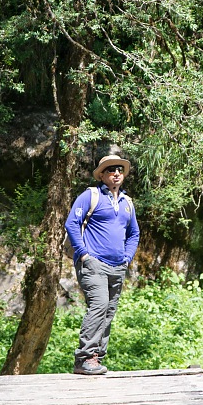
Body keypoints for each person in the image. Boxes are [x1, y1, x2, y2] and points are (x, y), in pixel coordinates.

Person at [64, 154, 140, 375]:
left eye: (120, 170)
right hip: (94, 263)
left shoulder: (127, 203)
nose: (116, 173)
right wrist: (84, 254)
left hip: (118, 266)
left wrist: (127, 257)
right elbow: (72, 223)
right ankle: (84, 358)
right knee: (99, 305)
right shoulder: (91, 195)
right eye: (111, 170)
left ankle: (96, 357)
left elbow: (134, 233)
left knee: (109, 311)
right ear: (102, 175)